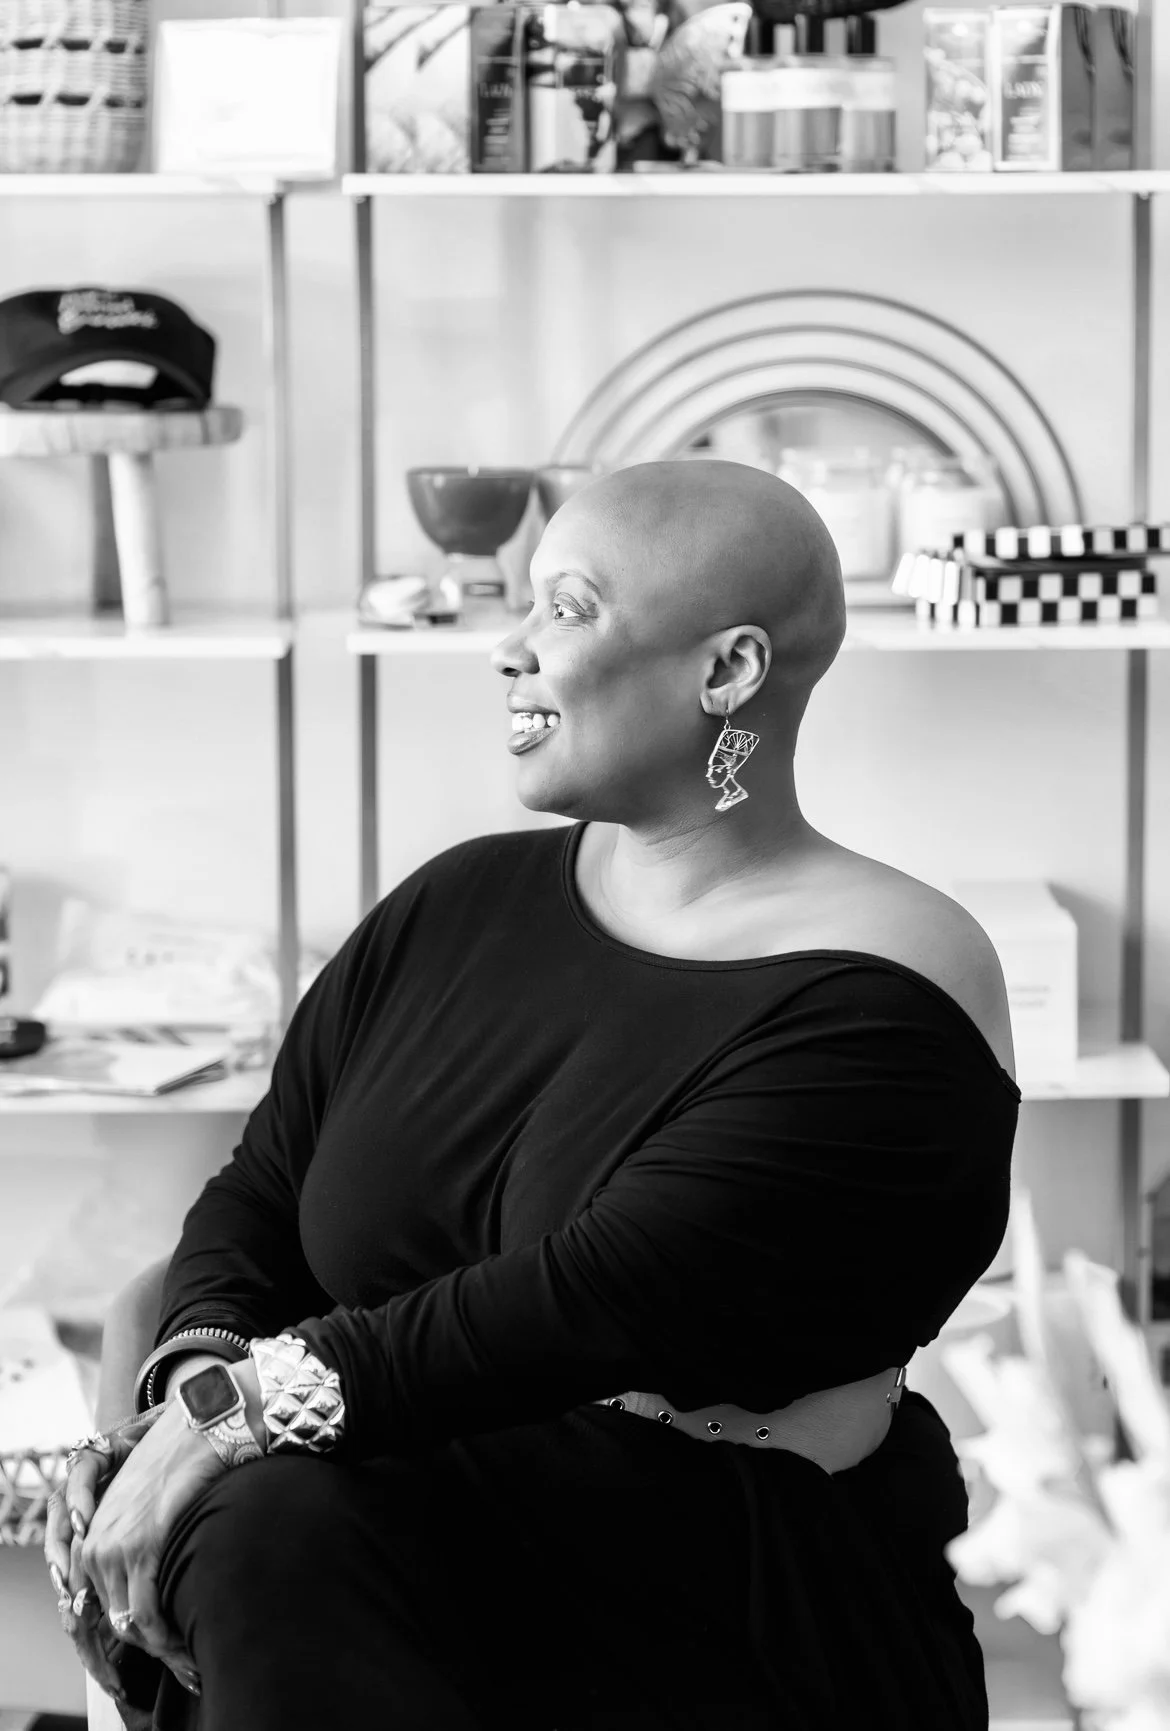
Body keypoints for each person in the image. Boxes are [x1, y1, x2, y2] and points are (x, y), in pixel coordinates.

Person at [45, 459, 1019, 1731]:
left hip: (709, 1594)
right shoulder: (458, 904)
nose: (511, 645)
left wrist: (236, 1422)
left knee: (272, 1519)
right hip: (363, 1536)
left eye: (567, 607)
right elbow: (265, 1186)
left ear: (727, 672)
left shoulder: (893, 987)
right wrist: (199, 1370)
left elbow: (593, 1297)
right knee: (263, 1518)